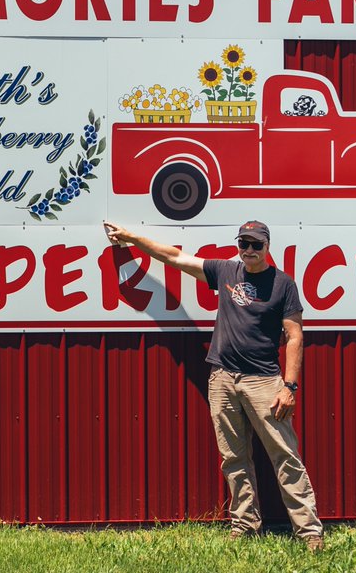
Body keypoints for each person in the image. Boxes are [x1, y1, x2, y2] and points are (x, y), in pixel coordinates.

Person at [103, 220, 324, 551]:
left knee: (284, 455)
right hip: (222, 378)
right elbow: (173, 257)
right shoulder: (225, 271)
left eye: (256, 245)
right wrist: (130, 238)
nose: (249, 250)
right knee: (233, 457)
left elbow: (294, 336)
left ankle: (309, 532)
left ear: (267, 247)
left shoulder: (283, 285)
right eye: (243, 243)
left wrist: (289, 387)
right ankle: (245, 524)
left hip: (264, 381)